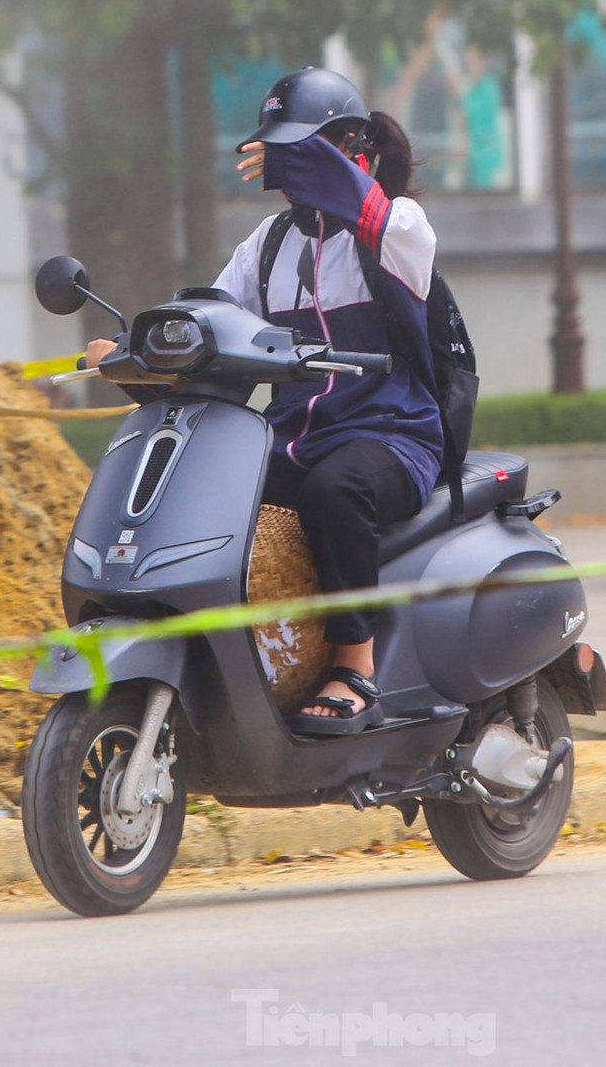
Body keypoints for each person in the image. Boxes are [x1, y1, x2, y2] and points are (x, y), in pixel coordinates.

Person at [84, 66, 441, 736]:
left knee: (337, 491)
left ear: (352, 150)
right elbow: (210, 321)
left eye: (303, 150)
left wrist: (317, 163)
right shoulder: (268, 246)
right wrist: (130, 346)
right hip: (297, 436)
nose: (286, 169)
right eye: (282, 150)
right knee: (211, 490)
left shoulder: (398, 228)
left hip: (392, 438)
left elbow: (361, 203)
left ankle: (354, 665)